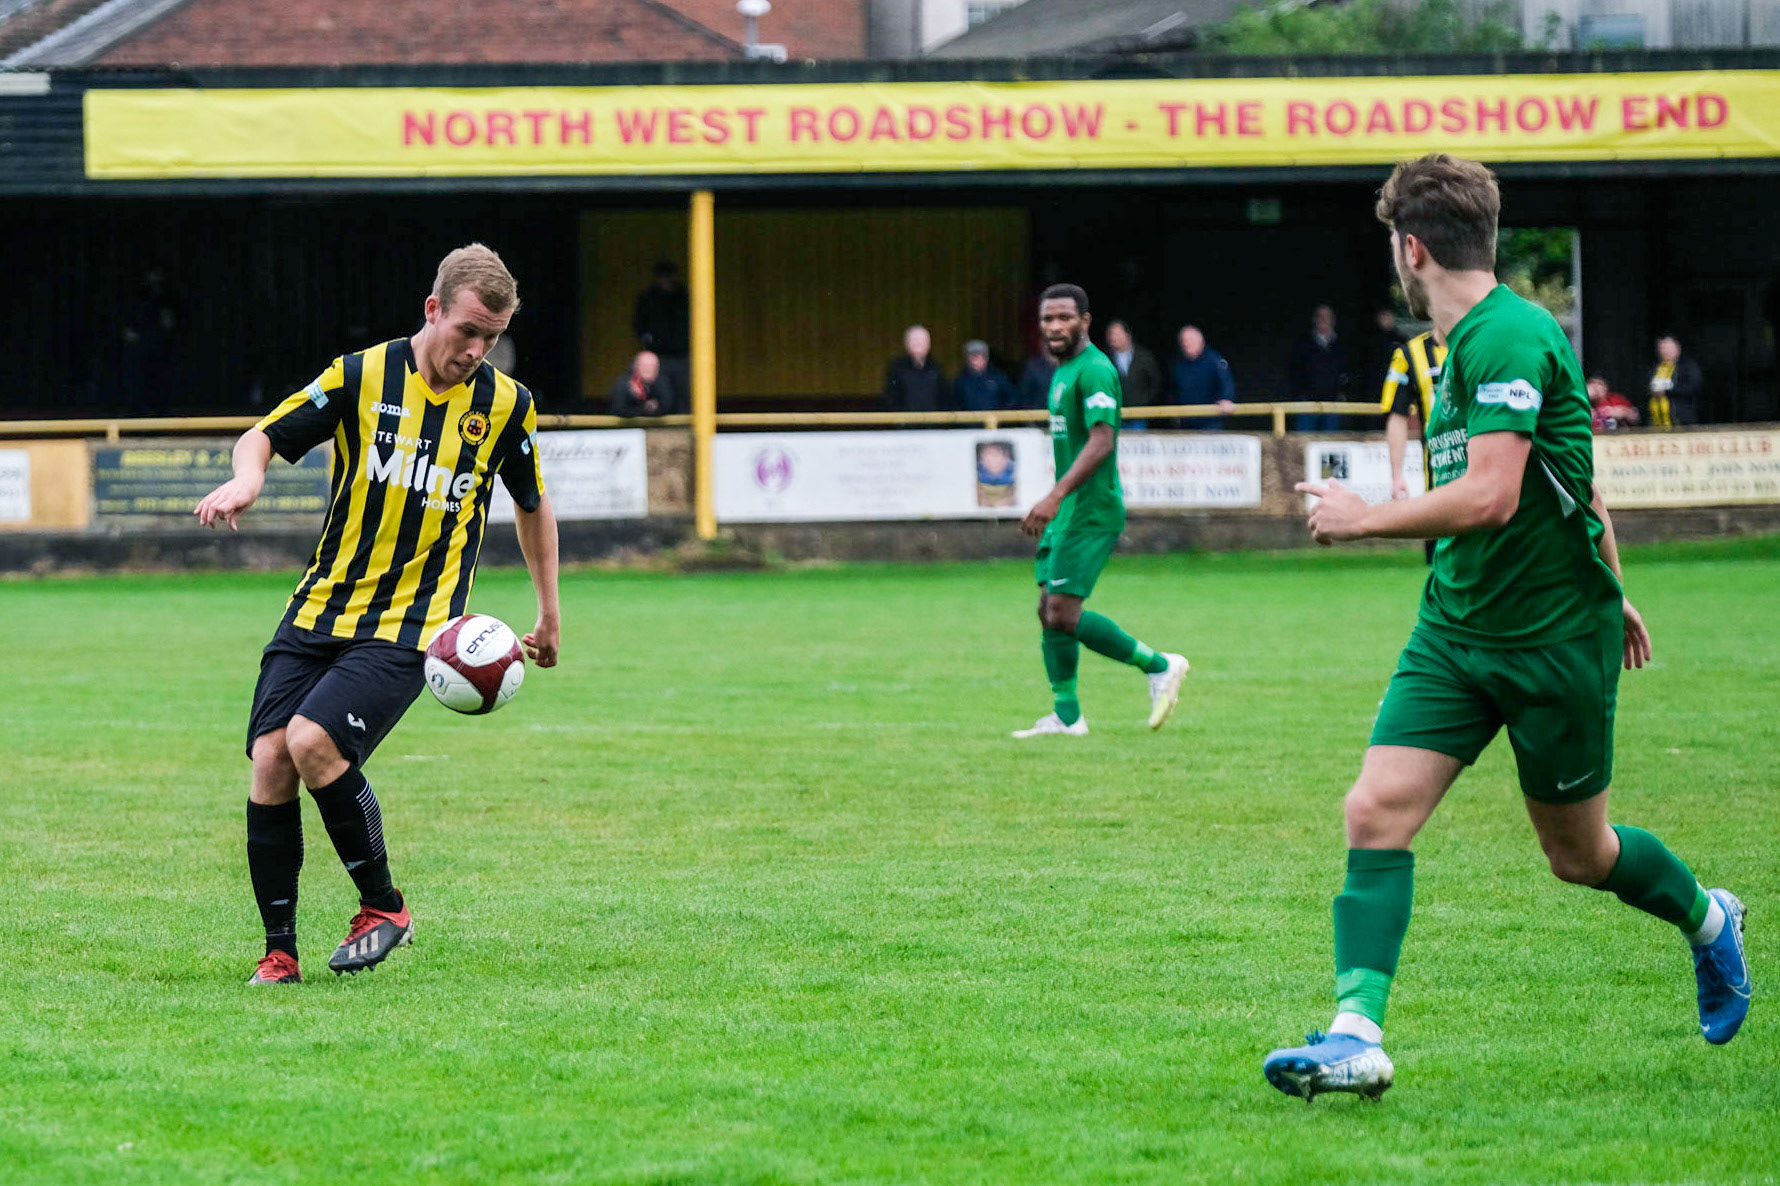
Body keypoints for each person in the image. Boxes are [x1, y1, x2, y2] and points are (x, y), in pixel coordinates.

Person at [1265, 154, 1750, 1102]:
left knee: (1581, 855)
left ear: (1412, 249)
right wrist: (1618, 578)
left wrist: (1363, 518)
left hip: (1550, 644)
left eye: (1393, 253)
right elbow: (1577, 479)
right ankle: (1356, 1035)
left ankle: (1709, 918)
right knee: (1375, 808)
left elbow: (1490, 496)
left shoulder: (1510, 336)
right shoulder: (1463, 350)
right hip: (1453, 630)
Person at [193, 244, 563, 986]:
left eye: (490, 337)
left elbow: (531, 505)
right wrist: (246, 480)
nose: (476, 350)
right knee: (270, 760)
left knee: (312, 742)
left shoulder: (504, 405)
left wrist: (548, 613)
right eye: (467, 331)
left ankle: (384, 907)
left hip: (412, 623)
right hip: (321, 606)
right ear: (434, 309)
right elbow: (265, 434)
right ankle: (280, 952)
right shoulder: (361, 375)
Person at [1013, 283, 1188, 739]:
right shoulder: (1064, 371)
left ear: (1085, 321)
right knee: (1047, 608)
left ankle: (1159, 665)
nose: (1055, 326)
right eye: (1047, 319)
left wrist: (1054, 497)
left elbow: (1101, 440)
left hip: (1090, 510)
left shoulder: (1094, 370)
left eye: (1064, 318)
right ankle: (1067, 717)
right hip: (1070, 511)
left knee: (1063, 613)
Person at [1380, 328, 1449, 563]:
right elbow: (1396, 415)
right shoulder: (1409, 354)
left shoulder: (1488, 343)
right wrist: (1397, 474)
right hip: (1437, 485)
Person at [633, 260, 689, 412]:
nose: (666, 281)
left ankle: (684, 424)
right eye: (662, 277)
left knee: (684, 392)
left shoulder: (685, 297)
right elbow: (639, 324)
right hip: (658, 355)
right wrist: (648, 341)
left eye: (669, 277)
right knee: (661, 392)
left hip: (682, 354)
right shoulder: (648, 298)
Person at [1287, 305, 1350, 431]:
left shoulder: (1342, 345)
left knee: (1330, 445)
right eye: (1319, 316)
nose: (1323, 320)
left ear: (1333, 320)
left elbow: (1348, 373)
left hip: (1333, 405)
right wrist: (1301, 396)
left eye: (1327, 317)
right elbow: (1294, 372)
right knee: (1303, 443)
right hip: (1307, 405)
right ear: (1314, 319)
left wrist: (1341, 394)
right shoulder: (1303, 343)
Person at [1169, 325, 1236, 430]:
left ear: (1201, 341)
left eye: (1190, 340)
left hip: (1210, 422)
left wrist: (1226, 398)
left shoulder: (1214, 360)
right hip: (1186, 423)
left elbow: (1226, 382)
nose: (1186, 343)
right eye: (1183, 340)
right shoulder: (1177, 364)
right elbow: (1172, 389)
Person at [883, 325, 948, 412]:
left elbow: (945, 397)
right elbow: (891, 397)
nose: (918, 343)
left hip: (933, 423)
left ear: (929, 344)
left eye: (922, 340)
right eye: (914, 340)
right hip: (906, 423)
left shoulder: (936, 367)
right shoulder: (896, 368)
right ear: (906, 343)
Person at [1104, 320, 1164, 410]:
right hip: (1114, 415)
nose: (1113, 338)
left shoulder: (1144, 357)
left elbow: (1156, 383)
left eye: (1117, 334)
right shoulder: (1104, 360)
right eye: (1110, 334)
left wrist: (1143, 402)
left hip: (1140, 415)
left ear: (1127, 335)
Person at [1646, 335, 1703, 427]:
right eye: (1662, 348)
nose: (1665, 352)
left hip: (1681, 421)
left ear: (1677, 348)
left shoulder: (1688, 367)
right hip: (1656, 421)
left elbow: (1693, 388)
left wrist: (1667, 392)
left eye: (1669, 348)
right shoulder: (1655, 369)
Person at [952, 340, 1019, 412]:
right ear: (967, 359)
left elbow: (1012, 398)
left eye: (980, 356)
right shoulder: (960, 381)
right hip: (969, 422)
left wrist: (1000, 416)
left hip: (994, 421)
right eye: (973, 356)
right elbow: (954, 404)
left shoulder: (997, 377)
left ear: (986, 358)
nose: (976, 360)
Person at [609, 350, 678, 416]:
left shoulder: (662, 383)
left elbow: (668, 406)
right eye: (645, 366)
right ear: (635, 367)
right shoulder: (623, 384)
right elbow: (619, 409)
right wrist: (641, 406)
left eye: (653, 366)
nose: (649, 369)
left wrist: (653, 408)